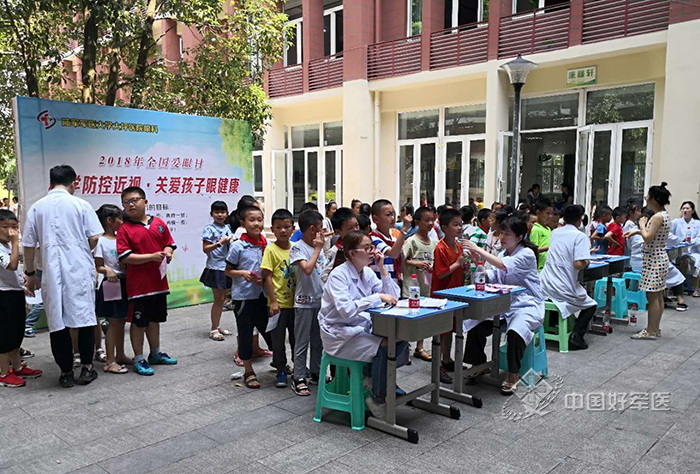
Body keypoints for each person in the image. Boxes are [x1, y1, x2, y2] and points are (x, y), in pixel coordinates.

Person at [23, 165, 103, 388]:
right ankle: (86, 368)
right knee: (85, 318)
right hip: (79, 270)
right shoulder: (81, 205)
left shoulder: (37, 208)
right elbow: (95, 238)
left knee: (57, 322)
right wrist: (81, 249)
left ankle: (66, 372)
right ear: (73, 183)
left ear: (50, 183)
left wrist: (30, 273)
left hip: (51, 272)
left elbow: (28, 245)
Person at [318, 230, 407, 419]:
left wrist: (382, 269)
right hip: (340, 334)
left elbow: (393, 296)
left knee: (402, 339)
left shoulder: (367, 272)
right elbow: (346, 310)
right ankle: (377, 397)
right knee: (386, 345)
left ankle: (370, 376)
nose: (372, 252)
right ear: (352, 253)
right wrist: (377, 297)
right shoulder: (338, 275)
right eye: (367, 248)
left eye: (372, 247)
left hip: (360, 328)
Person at [463, 216, 544, 395]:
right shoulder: (502, 254)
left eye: (507, 234)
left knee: (515, 331)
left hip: (526, 304)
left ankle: (512, 374)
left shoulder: (526, 254)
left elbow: (502, 266)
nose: (502, 237)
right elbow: (490, 276)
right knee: (476, 324)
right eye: (501, 233)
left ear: (520, 237)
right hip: (503, 304)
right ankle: (479, 364)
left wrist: (477, 249)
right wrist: (477, 263)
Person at [117, 187, 178, 376]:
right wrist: (151, 256)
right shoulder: (124, 229)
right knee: (139, 323)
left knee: (154, 320)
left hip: (159, 284)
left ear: (145, 201)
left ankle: (155, 353)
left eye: (134, 200)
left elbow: (169, 243)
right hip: (138, 288)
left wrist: (167, 252)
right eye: (127, 202)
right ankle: (138, 359)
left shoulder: (159, 223)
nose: (131, 204)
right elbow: (125, 257)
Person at [540, 205, 597, 350]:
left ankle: (553, 326)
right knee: (591, 304)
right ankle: (576, 337)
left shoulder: (555, 232)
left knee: (555, 299)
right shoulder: (580, 236)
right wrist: (587, 260)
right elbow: (578, 264)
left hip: (545, 283)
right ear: (580, 220)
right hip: (563, 287)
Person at [225, 205, 267, 388]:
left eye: (260, 219)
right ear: (243, 223)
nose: (256, 223)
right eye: (252, 220)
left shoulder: (267, 245)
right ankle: (248, 371)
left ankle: (280, 364)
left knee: (270, 331)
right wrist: (242, 273)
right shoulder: (237, 246)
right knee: (245, 333)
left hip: (263, 296)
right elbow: (228, 271)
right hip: (243, 297)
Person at [623, 183, 672, 340]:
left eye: (648, 197)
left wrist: (642, 225)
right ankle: (655, 328)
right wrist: (638, 231)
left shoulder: (657, 217)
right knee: (658, 295)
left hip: (654, 259)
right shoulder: (664, 215)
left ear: (654, 200)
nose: (646, 199)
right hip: (659, 257)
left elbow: (648, 237)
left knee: (652, 297)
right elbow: (653, 234)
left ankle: (650, 331)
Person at [0, 210, 42, 387]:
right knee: (5, 334)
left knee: (16, 332)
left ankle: (17, 367)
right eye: (5, 227)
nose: (10, 231)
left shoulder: (9, 246)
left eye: (14, 227)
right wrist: (16, 242)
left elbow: (15, 271)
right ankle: (3, 373)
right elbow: (11, 265)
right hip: (3, 295)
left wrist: (23, 285)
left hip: (15, 292)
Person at [289, 210, 326, 395]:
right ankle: (299, 377)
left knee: (318, 341)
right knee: (302, 341)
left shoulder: (318, 248)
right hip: (304, 302)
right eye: (321, 228)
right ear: (312, 229)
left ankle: (316, 372)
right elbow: (307, 269)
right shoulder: (297, 248)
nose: (323, 231)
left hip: (320, 301)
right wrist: (318, 249)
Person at [261, 209, 297, 389]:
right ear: (272, 229)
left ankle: (299, 368)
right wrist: (273, 301)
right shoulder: (270, 250)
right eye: (279, 227)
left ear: (293, 228)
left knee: (297, 338)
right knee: (278, 339)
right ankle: (281, 369)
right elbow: (267, 276)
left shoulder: (297, 248)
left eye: (287, 226)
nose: (283, 230)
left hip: (297, 304)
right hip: (278, 305)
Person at [94, 205, 131, 374]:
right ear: (109, 220)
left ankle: (120, 355)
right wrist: (107, 270)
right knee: (113, 323)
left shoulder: (120, 238)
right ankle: (110, 360)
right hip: (111, 284)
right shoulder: (100, 241)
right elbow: (99, 266)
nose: (122, 222)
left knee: (121, 321)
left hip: (124, 282)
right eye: (119, 218)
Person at [629, 208, 688, 312]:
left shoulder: (635, 230)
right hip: (651, 263)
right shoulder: (656, 228)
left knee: (658, 289)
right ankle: (680, 300)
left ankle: (661, 301)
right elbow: (673, 241)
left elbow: (630, 246)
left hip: (636, 263)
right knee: (675, 275)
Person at [432, 208, 465, 384]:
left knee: (451, 329)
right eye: (455, 225)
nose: (459, 228)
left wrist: (463, 265)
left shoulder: (458, 246)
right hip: (442, 295)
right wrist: (458, 263)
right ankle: (437, 365)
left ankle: (447, 359)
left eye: (460, 224)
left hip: (455, 293)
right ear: (444, 227)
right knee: (440, 331)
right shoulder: (440, 248)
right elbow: (440, 274)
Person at [402, 206, 436, 363]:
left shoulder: (434, 243)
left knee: (422, 317)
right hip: (411, 286)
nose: (430, 223)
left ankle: (420, 348)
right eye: (426, 220)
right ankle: (404, 350)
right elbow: (402, 259)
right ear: (417, 222)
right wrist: (416, 263)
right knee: (408, 318)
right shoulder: (411, 241)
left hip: (426, 286)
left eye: (432, 220)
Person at [200, 201, 234, 341]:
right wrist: (220, 243)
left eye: (222, 212)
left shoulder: (228, 227)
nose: (220, 215)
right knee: (218, 300)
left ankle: (217, 325)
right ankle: (214, 329)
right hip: (215, 267)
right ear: (212, 214)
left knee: (222, 299)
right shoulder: (209, 228)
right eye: (217, 212)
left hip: (226, 266)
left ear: (227, 213)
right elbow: (205, 249)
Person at [370, 199, 410, 284]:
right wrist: (404, 230)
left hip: (394, 283)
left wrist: (402, 254)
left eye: (393, 214)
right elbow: (393, 254)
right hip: (379, 285)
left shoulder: (394, 239)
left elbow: (401, 269)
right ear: (375, 219)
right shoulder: (373, 238)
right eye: (388, 215)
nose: (392, 218)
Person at [671, 201, 700, 297]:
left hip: (693, 250)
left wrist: (691, 241)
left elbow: (699, 238)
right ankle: (679, 288)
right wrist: (680, 241)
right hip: (679, 250)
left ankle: (696, 289)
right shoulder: (676, 222)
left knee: (697, 262)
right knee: (681, 261)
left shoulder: (697, 223)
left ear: (692, 211)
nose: (685, 210)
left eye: (687, 208)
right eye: (683, 208)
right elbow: (670, 235)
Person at [322, 207, 359, 282]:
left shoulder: (363, 245)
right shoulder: (335, 251)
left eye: (357, 225)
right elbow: (324, 277)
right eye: (350, 228)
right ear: (338, 232)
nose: (356, 230)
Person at [529, 198, 553, 272]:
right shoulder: (536, 229)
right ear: (538, 213)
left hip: (548, 268)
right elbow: (533, 250)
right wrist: (547, 248)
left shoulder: (548, 229)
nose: (550, 216)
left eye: (551, 213)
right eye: (547, 213)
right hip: (539, 269)